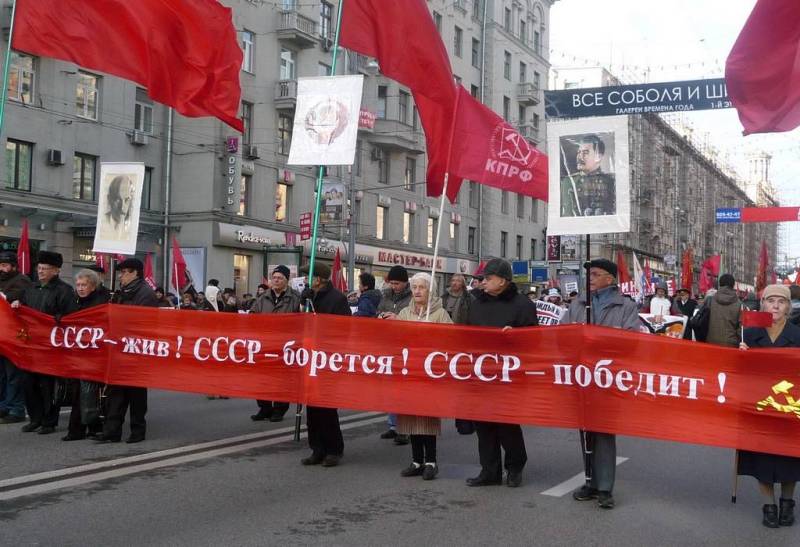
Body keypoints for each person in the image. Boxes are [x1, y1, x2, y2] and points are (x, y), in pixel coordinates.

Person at [564, 258, 640, 509]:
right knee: (586, 430)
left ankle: (605, 487)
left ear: (610, 278)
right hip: (582, 376)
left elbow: (631, 340)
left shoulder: (625, 306)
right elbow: (562, 333)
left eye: (595, 274)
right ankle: (590, 481)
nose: (590, 278)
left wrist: (598, 343)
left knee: (604, 432)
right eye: (589, 274)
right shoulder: (579, 303)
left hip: (608, 378)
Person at [465, 258, 538, 489]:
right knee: (483, 426)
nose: (483, 282)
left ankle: (515, 467)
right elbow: (466, 334)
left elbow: (535, 340)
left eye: (488, 278)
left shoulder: (522, 304)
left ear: (503, 281)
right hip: (481, 373)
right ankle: (489, 470)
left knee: (507, 425)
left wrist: (517, 335)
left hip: (509, 376)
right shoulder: (476, 303)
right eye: (482, 278)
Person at [738, 284, 800, 528]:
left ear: (788, 307)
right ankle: (769, 506)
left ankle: (787, 503)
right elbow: (737, 372)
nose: (775, 305)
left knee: (789, 459)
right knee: (761, 460)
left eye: (781, 301)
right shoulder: (748, 335)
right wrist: (740, 356)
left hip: (789, 409)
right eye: (770, 300)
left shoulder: (797, 335)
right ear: (762, 304)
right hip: (758, 407)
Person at [394, 273, 452, 480]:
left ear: (431, 290)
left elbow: (452, 340)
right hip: (409, 372)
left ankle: (431, 462)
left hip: (429, 374)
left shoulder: (440, 314)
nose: (417, 291)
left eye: (422, 287)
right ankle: (416, 460)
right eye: (414, 287)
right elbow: (395, 338)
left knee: (427, 420)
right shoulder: (404, 312)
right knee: (411, 418)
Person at [11, 251, 77, 434]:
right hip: (31, 344)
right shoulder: (31, 288)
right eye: (39, 268)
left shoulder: (64, 290)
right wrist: (17, 304)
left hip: (50, 346)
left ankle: (49, 421)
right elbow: (23, 306)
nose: (40, 271)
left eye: (45, 268)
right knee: (28, 383)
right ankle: (35, 418)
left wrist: (56, 319)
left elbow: (70, 316)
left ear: (56, 270)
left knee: (47, 385)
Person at [96, 258, 158, 444]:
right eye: (120, 273)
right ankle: (112, 431)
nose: (121, 276)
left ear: (135, 273)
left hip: (137, 350)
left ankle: (138, 431)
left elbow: (143, 321)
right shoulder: (122, 292)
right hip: (120, 348)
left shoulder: (146, 294)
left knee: (136, 395)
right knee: (116, 393)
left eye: (124, 272)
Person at [299, 261, 350, 467]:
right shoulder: (309, 296)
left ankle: (333, 449)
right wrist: (303, 303)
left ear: (318, 279)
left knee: (326, 408)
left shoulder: (337, 299)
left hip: (329, 358)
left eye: (308, 276)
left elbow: (344, 328)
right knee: (311, 407)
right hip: (310, 356)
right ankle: (317, 448)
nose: (305, 280)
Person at [63, 269, 109, 441]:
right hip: (77, 352)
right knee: (79, 391)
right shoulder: (73, 300)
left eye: (84, 285)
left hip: (94, 353)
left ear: (93, 286)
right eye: (78, 285)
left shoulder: (101, 301)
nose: (80, 288)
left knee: (89, 392)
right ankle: (82, 428)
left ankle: (87, 427)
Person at [250, 265, 300, 422]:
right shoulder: (263, 297)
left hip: (285, 345)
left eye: (280, 278)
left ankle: (279, 409)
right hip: (265, 344)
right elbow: (253, 315)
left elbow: (302, 320)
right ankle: (264, 407)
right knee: (262, 378)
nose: (276, 280)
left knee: (281, 379)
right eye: (274, 278)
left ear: (287, 280)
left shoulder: (295, 298)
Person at [377, 265, 412, 444]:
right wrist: (380, 316)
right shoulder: (385, 296)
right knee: (391, 388)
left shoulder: (412, 298)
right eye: (392, 283)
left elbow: (414, 320)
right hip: (388, 345)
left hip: (406, 348)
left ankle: (405, 429)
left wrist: (397, 318)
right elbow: (377, 311)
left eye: (397, 283)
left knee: (403, 390)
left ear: (405, 282)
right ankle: (393, 425)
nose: (394, 286)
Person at [0, 250, 33, 424]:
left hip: (15, 335)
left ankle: (16, 409)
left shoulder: (22, 281)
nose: (1, 268)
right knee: (2, 375)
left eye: (4, 265)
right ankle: (4, 406)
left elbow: (18, 299)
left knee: (13, 374)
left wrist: (6, 298)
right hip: (2, 335)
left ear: (13, 266)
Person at [560, 134, 616, 217]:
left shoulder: (611, 182)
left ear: (598, 156)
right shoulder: (568, 182)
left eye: (585, 153)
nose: (580, 157)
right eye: (579, 152)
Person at [706, 273, 741, 348]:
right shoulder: (739, 304)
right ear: (733, 285)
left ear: (720, 284)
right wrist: (737, 341)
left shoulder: (710, 300)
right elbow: (741, 328)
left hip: (710, 342)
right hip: (731, 344)